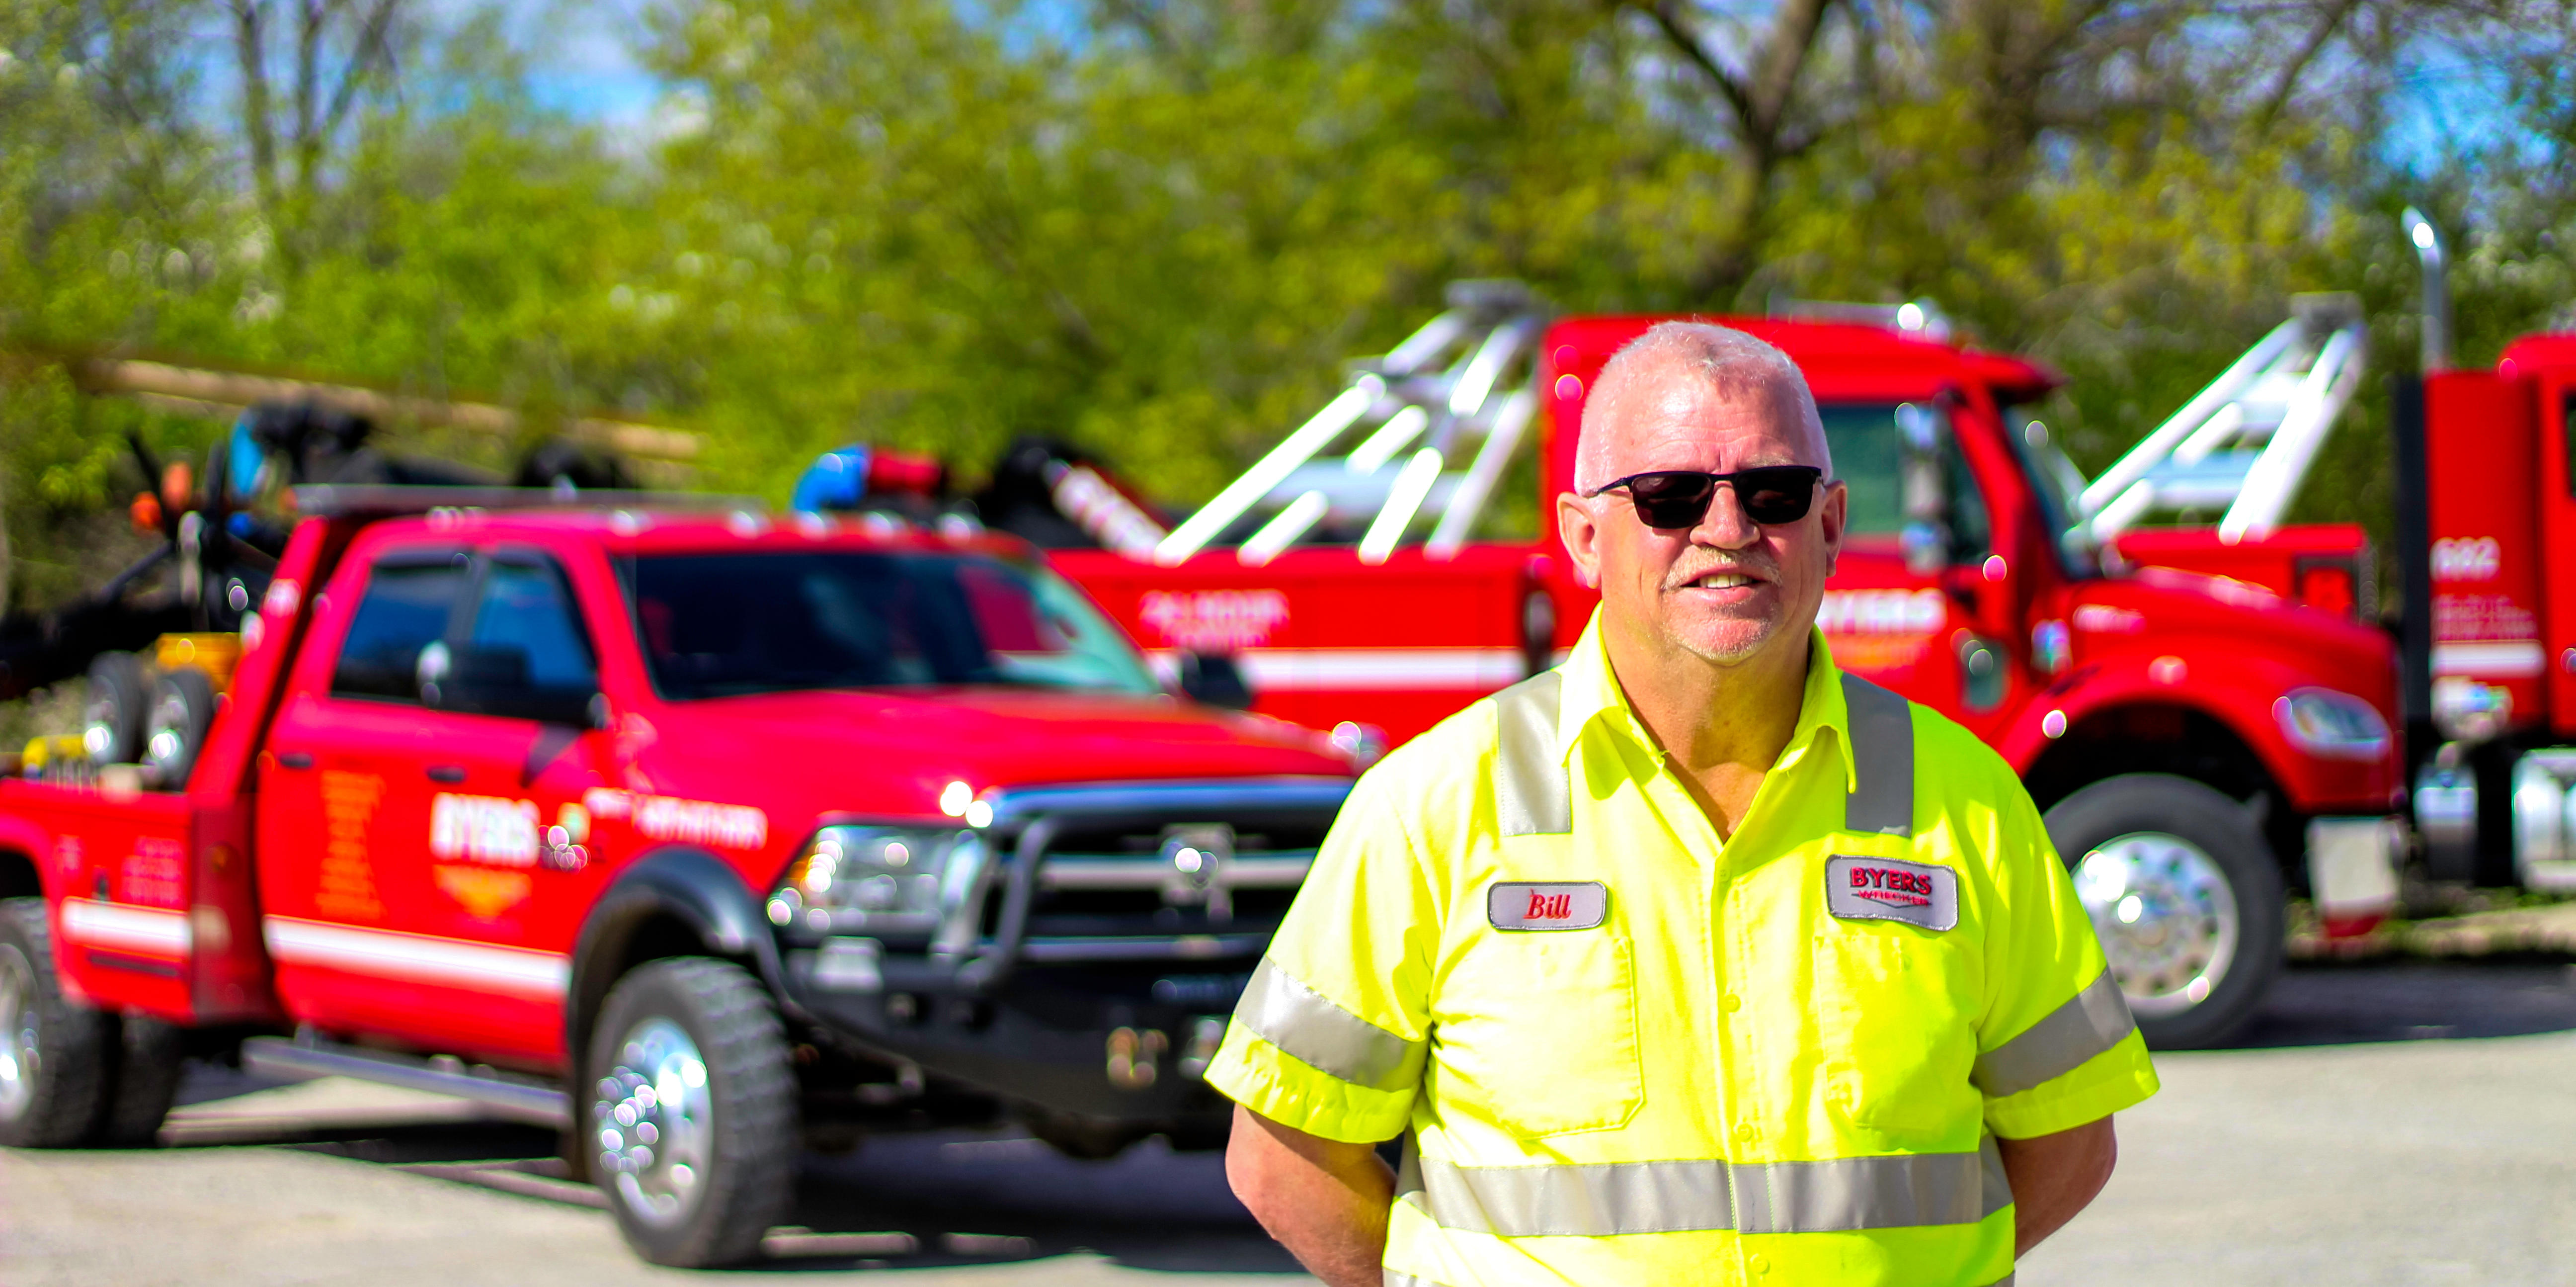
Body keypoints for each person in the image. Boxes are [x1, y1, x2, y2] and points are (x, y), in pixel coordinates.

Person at [1206, 321, 2159, 1287]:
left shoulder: (1967, 799)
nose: (1729, 528)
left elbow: (2070, 1137)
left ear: (1832, 525)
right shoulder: (1430, 806)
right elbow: (1285, 1153)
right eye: (1671, 495)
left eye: (1774, 492)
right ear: (1584, 536)